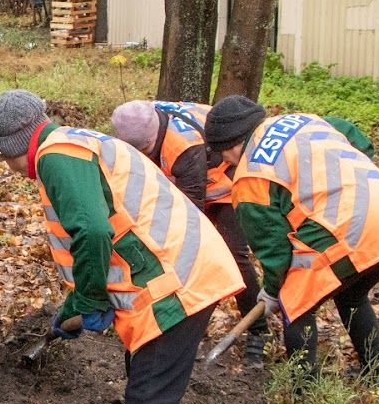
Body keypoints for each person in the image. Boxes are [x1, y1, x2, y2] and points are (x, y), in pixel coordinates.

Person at [0, 90, 244, 404]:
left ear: (13, 147)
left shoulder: (57, 158)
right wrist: (77, 305)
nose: (8, 170)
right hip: (174, 275)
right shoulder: (76, 143)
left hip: (175, 284)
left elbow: (93, 230)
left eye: (3, 160)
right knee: (142, 385)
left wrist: (87, 298)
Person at [204, 96, 379, 381]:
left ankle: (303, 395)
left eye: (223, 153)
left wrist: (271, 291)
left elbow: (276, 252)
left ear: (232, 144)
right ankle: (376, 371)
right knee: (352, 295)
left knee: (295, 304)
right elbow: (358, 139)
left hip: (346, 229)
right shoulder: (300, 120)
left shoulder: (249, 178)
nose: (224, 161)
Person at [111, 100, 270, 364]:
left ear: (156, 134)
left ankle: (257, 331)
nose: (143, 155)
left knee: (232, 253)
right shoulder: (135, 120)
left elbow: (190, 217)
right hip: (186, 183)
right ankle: (180, 314)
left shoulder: (184, 147)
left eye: (147, 149)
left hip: (225, 185)